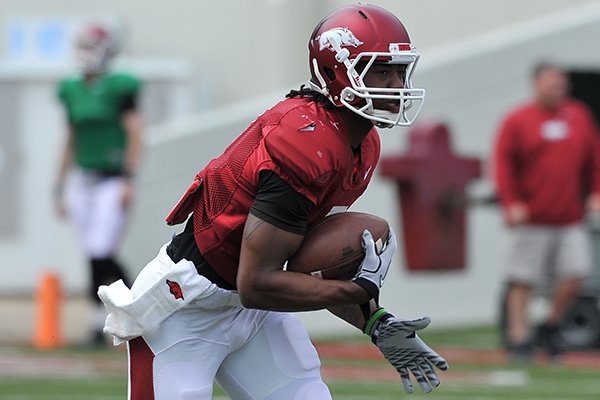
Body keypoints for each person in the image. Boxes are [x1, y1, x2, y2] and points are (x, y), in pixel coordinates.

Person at [98, 4, 447, 399]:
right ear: (335, 72)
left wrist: (376, 322)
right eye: (381, 70)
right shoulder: (305, 142)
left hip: (254, 313)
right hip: (186, 309)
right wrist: (354, 291)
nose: (396, 83)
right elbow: (257, 282)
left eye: (399, 70)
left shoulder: (362, 144)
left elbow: (309, 263)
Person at [493, 61, 600, 360]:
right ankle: (518, 337)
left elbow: (595, 158)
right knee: (522, 278)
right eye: (551, 82)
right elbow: (503, 163)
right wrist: (511, 202)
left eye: (561, 82)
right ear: (536, 83)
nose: (558, 88)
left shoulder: (577, 115)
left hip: (569, 217)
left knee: (576, 272)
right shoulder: (518, 119)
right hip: (531, 218)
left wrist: (596, 192)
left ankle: (549, 326)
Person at [54, 23, 143, 345]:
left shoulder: (121, 86)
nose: (86, 53)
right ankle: (101, 323)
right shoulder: (70, 88)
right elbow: (70, 138)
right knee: (91, 252)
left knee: (101, 249)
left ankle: (135, 309)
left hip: (112, 178)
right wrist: (59, 186)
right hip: (82, 178)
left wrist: (128, 178)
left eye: (92, 46)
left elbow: (135, 131)